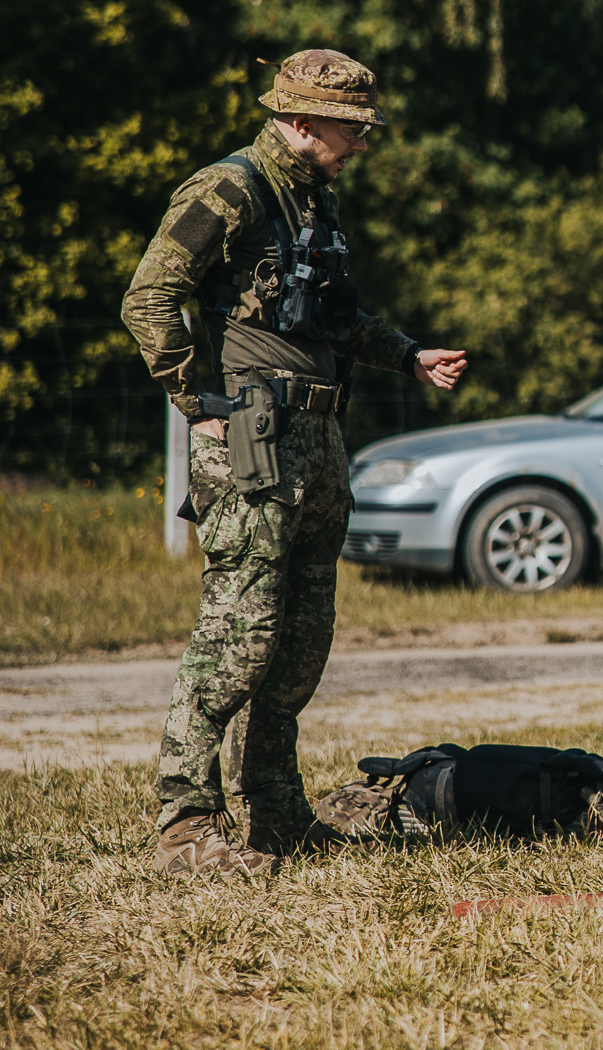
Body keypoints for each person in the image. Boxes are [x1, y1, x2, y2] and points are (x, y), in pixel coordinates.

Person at [122, 49, 468, 877]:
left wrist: (409, 355)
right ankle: (185, 823)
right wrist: (195, 401)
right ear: (303, 119)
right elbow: (148, 296)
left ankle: (275, 810)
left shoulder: (317, 202)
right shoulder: (230, 189)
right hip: (253, 442)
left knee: (299, 643)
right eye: (351, 129)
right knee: (239, 639)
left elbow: (333, 323)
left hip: (319, 440)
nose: (361, 144)